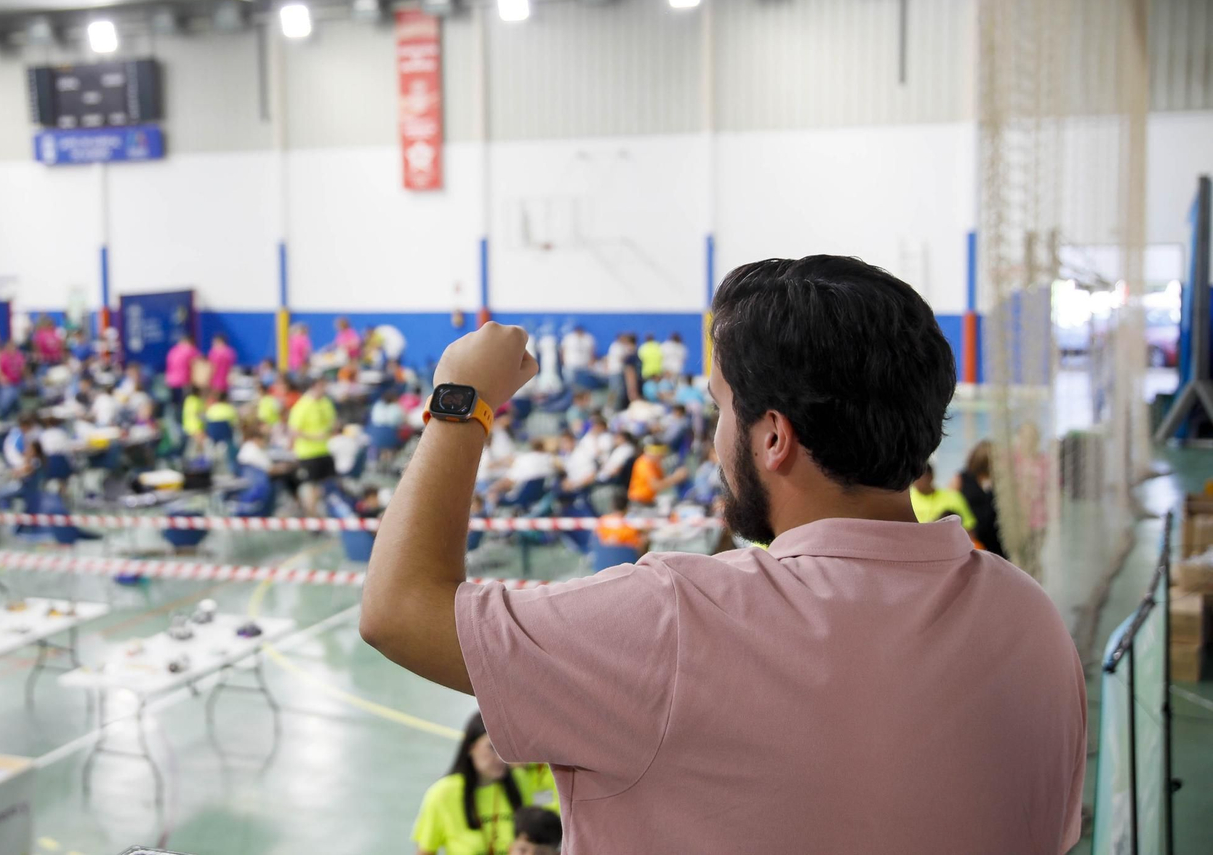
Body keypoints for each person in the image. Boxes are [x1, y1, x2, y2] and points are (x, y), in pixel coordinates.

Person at [361, 257, 1086, 854]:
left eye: (720, 409)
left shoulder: (680, 620)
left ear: (773, 437)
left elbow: (399, 611)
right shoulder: (1031, 621)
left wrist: (462, 401)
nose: (714, 441)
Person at [412, 713, 558, 855]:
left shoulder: (521, 781)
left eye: (506, 748)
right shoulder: (443, 794)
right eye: (492, 748)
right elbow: (425, 851)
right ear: (471, 747)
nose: (501, 757)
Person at [288, 377, 337, 516]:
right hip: (308, 453)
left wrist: (331, 430)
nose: (325, 389)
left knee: (327, 486)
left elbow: (332, 421)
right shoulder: (302, 405)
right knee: (310, 488)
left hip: (325, 450)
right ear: (315, 386)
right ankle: (312, 518)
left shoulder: (326, 402)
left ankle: (324, 515)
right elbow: (294, 430)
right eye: (322, 385)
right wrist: (314, 437)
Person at [959, 440, 1005, 557]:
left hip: (997, 539)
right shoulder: (963, 479)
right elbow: (951, 503)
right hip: (972, 538)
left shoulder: (1001, 480)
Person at [910, 461, 978, 533]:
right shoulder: (908, 500)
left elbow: (969, 527)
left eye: (920, 478)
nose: (917, 482)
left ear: (931, 476)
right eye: (914, 478)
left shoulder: (953, 497)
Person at [626, 440, 688, 508]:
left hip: (648, 501)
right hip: (639, 503)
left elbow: (662, 483)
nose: (662, 457)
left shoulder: (655, 465)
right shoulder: (644, 464)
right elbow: (656, 486)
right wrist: (676, 477)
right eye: (661, 454)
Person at [164, 334, 197, 411]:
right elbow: (196, 364)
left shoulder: (172, 351)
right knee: (185, 404)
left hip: (172, 382)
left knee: (175, 404)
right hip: (184, 382)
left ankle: (176, 421)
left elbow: (169, 367)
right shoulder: (190, 350)